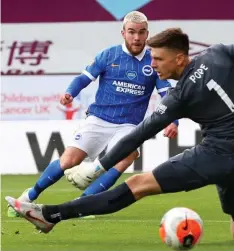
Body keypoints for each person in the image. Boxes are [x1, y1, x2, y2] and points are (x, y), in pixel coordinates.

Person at [6, 28, 234, 244]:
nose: (153, 64)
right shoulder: (218, 54)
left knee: (136, 186)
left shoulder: (180, 96)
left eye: (158, 59)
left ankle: (51, 215)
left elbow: (140, 134)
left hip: (216, 155)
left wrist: (97, 167)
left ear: (179, 58)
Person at [6, 12, 179, 218]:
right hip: (98, 119)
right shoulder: (109, 55)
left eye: (141, 33)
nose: (136, 37)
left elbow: (167, 94)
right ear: (123, 33)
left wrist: (173, 120)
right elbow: (84, 78)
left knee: (129, 154)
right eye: (132, 32)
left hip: (128, 125)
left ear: (147, 34)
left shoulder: (153, 61)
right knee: (69, 160)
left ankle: (83, 204)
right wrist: (70, 93)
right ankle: (29, 196)